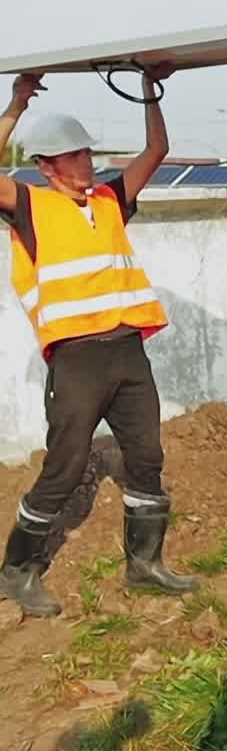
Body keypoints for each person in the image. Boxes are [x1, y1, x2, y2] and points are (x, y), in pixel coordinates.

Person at [0, 68, 198, 618]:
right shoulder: (30, 208)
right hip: (77, 361)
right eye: (74, 155)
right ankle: (17, 571)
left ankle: (144, 564)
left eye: (87, 152)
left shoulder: (109, 200)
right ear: (46, 165)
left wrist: (149, 90)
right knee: (64, 468)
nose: (87, 161)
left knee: (147, 458)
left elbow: (157, 149)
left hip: (128, 354)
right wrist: (15, 105)